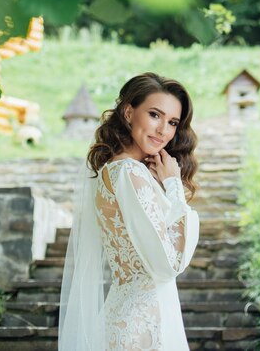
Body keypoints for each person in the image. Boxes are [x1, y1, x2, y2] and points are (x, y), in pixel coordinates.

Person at [58, 72, 200, 351]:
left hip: (137, 316)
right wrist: (173, 186)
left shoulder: (122, 171)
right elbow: (170, 263)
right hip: (142, 327)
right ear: (128, 112)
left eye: (172, 122)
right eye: (155, 115)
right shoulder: (127, 172)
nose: (163, 131)